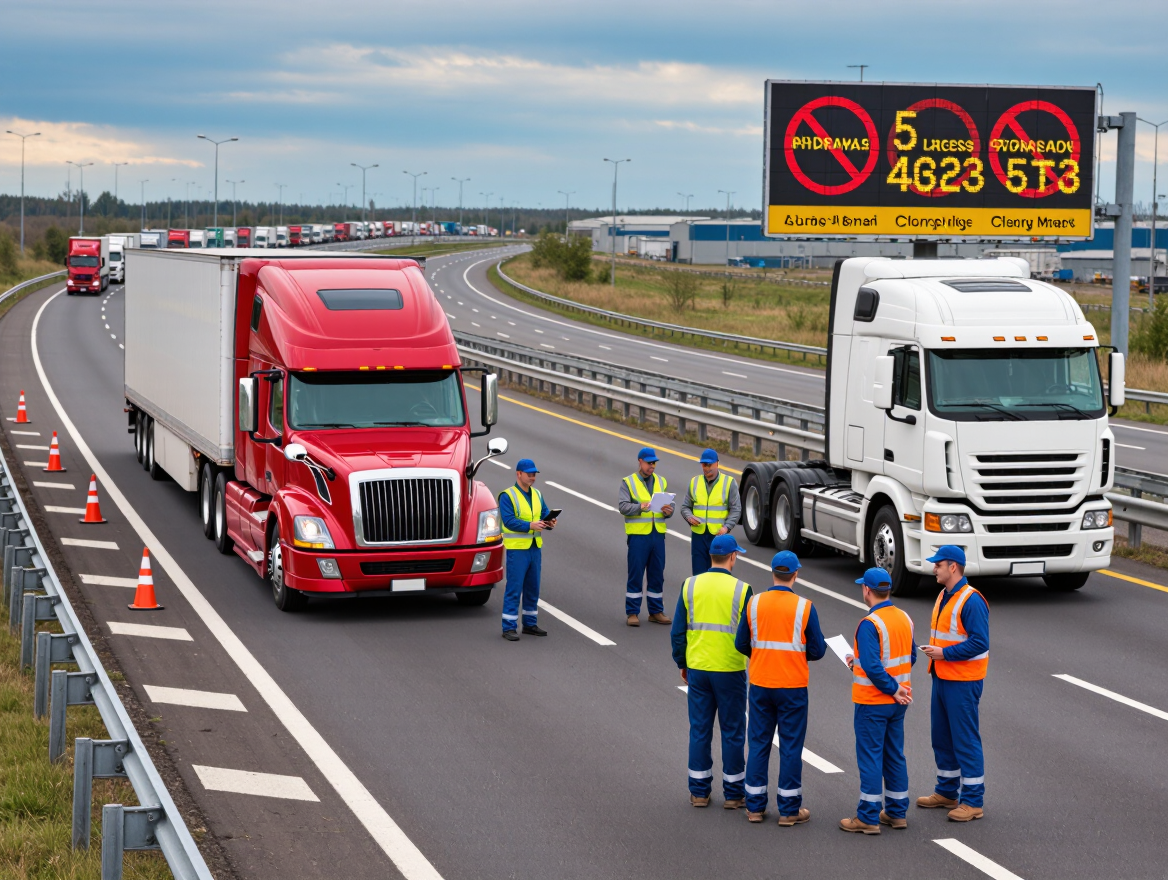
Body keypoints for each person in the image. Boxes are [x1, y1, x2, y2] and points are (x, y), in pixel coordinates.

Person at [735, 550, 826, 826]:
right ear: (795, 575)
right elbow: (818, 649)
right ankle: (788, 810)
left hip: (761, 684)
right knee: (790, 747)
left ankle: (754, 807)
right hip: (793, 687)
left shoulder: (754, 603)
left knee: (759, 744)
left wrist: (763, 656)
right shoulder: (805, 607)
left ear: (772, 573)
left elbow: (741, 643)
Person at [669, 534, 752, 808]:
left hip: (698, 669)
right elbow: (748, 636)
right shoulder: (742, 589)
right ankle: (734, 794)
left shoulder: (690, 585)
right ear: (732, 557)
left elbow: (678, 631)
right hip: (730, 670)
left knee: (700, 730)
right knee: (732, 731)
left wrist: (683, 663)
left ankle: (699, 792)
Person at [840, 567, 916, 835]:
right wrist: (897, 687)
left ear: (867, 590)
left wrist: (889, 686)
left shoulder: (869, 624)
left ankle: (868, 817)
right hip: (898, 703)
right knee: (894, 754)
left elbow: (872, 666)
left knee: (870, 757)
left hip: (873, 702)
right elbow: (911, 657)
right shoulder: (904, 618)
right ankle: (896, 813)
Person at [917, 545, 989, 822]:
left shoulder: (971, 600)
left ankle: (973, 801)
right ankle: (947, 791)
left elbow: (980, 642)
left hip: (963, 681)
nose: (934, 568)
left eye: (938, 564)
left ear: (953, 567)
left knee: (965, 740)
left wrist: (944, 654)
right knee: (942, 738)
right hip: (942, 677)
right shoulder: (944, 595)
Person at [498, 458, 557, 642]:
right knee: (514, 588)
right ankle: (508, 627)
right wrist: (531, 525)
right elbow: (509, 521)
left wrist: (550, 522)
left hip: (534, 548)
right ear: (519, 474)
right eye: (529, 474)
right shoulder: (507, 496)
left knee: (533, 588)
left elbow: (543, 514)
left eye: (534, 474)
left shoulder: (537, 494)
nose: (532, 477)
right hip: (517, 550)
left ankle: (530, 624)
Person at [618, 447, 674, 626]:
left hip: (657, 535)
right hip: (638, 536)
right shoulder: (628, 482)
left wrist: (668, 511)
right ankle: (632, 612)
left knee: (657, 573)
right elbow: (623, 507)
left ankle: (655, 611)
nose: (652, 466)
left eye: (654, 463)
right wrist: (639, 507)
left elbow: (668, 508)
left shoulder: (661, 481)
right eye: (649, 462)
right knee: (636, 573)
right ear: (640, 462)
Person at [681, 448, 741, 576]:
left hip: (718, 536)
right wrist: (689, 517)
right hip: (699, 537)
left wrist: (726, 527)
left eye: (710, 465)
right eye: (704, 465)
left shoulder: (729, 483)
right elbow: (685, 507)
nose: (706, 468)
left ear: (717, 463)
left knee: (718, 576)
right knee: (699, 575)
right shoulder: (694, 482)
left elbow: (736, 509)